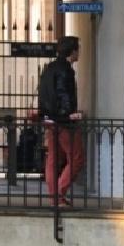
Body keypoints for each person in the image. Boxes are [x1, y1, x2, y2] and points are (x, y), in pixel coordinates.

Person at [38, 35, 84, 205]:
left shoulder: (48, 68)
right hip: (63, 121)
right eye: (78, 49)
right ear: (72, 51)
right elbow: (63, 93)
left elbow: (43, 93)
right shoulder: (66, 70)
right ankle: (59, 194)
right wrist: (69, 114)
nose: (79, 52)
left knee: (52, 158)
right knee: (77, 158)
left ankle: (54, 197)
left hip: (49, 119)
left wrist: (45, 113)